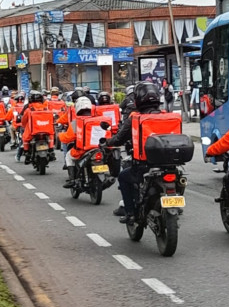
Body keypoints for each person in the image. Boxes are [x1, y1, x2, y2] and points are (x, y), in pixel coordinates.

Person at [107, 81, 163, 225]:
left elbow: (119, 139)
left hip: (144, 165)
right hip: (168, 164)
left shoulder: (135, 118)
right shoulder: (167, 116)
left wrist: (107, 142)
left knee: (123, 177)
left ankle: (130, 214)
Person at [59, 97, 97, 188]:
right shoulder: (98, 119)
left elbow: (67, 138)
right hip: (98, 148)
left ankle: (72, 180)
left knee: (68, 156)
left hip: (82, 151)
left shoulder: (76, 122)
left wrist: (60, 135)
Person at [17, 91, 51, 162]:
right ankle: (51, 150)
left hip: (32, 131)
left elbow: (23, 121)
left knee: (25, 138)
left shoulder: (28, 109)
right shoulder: (46, 109)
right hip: (46, 130)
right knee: (51, 136)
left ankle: (27, 153)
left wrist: (23, 125)